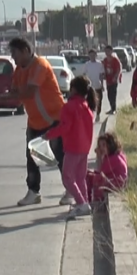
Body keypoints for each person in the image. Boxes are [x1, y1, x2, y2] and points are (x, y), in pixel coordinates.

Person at [0, 37, 67, 206]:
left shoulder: (40, 65)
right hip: (34, 122)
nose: (13, 57)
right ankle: (33, 192)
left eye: (15, 53)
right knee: (32, 157)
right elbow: (16, 96)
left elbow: (29, 93)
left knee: (61, 157)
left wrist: (4, 97)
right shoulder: (19, 70)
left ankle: (71, 189)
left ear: (26, 51)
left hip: (54, 119)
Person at [45, 76, 96, 218]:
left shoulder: (69, 107)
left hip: (73, 147)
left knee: (68, 177)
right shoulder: (86, 107)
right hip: (84, 148)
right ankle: (84, 202)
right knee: (80, 177)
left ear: (73, 89)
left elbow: (64, 127)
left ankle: (81, 203)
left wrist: (49, 134)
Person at [87, 132, 128, 203]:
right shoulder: (117, 154)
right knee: (90, 174)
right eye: (99, 146)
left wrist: (99, 157)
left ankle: (94, 201)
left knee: (90, 177)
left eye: (104, 145)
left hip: (115, 184)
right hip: (116, 181)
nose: (101, 148)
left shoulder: (112, 159)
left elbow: (100, 171)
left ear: (110, 145)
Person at [83, 49, 105, 119]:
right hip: (90, 87)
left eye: (93, 55)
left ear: (96, 55)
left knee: (99, 100)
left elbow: (101, 75)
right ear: (89, 56)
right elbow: (84, 75)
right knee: (89, 101)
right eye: (90, 55)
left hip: (98, 85)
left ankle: (98, 114)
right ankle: (90, 115)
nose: (92, 56)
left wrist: (102, 84)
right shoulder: (87, 64)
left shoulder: (99, 64)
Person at [101, 45, 123, 114]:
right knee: (109, 95)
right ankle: (111, 108)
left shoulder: (115, 60)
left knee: (113, 94)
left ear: (111, 51)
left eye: (108, 51)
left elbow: (118, 69)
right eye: (106, 51)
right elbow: (103, 69)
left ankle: (114, 109)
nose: (107, 52)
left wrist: (115, 77)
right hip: (108, 80)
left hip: (113, 80)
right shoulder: (105, 60)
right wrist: (103, 75)